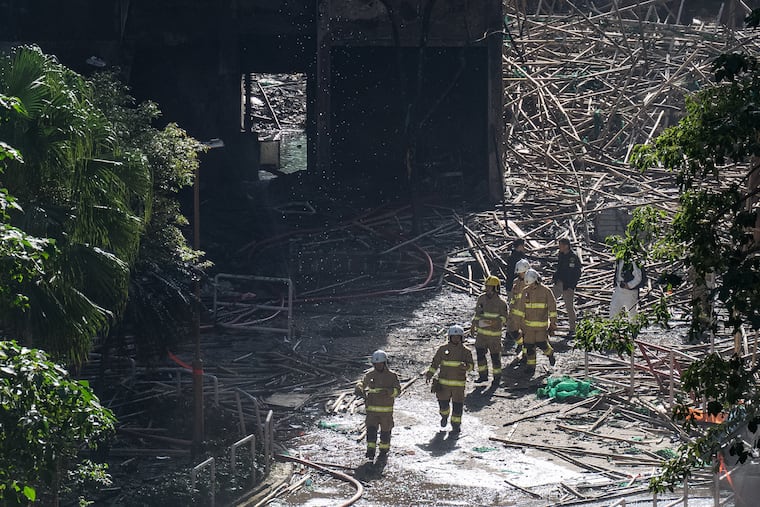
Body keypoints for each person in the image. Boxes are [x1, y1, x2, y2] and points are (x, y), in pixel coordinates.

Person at [425, 325, 475, 432]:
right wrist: (430, 374)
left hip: (458, 386)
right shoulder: (442, 349)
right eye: (453, 337)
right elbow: (435, 363)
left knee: (457, 407)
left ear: (461, 338)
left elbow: (471, 366)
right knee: (443, 405)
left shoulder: (466, 351)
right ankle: (444, 416)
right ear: (449, 337)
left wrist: (465, 366)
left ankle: (456, 425)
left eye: (458, 337)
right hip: (444, 385)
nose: (456, 339)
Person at [355, 349, 401, 461]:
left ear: (384, 363)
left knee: (385, 433)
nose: (377, 366)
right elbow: (362, 383)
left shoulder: (392, 376)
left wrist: (389, 392)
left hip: (386, 413)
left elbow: (398, 391)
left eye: (379, 364)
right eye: (375, 364)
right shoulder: (370, 375)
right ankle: (370, 452)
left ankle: (383, 451)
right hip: (371, 412)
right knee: (371, 432)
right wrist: (359, 387)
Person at [513, 268, 557, 375]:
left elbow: (552, 308)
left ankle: (550, 353)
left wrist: (553, 323)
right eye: (529, 284)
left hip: (541, 326)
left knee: (542, 344)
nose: (531, 286)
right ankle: (531, 367)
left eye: (532, 284)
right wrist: (517, 323)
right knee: (529, 346)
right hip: (529, 327)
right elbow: (520, 309)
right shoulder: (525, 292)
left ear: (537, 280)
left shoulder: (546, 291)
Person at [470, 275, 508, 384]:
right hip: (481, 336)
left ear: (496, 288)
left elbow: (505, 317)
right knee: (480, 355)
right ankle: (483, 376)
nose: (487, 289)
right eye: (486, 287)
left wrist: (496, 322)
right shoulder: (481, 299)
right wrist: (473, 325)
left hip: (494, 337)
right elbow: (477, 314)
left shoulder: (501, 303)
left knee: (495, 358)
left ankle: (497, 378)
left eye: (489, 287)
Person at [551, 238, 582, 336]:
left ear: (566, 246)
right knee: (550, 301)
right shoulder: (561, 255)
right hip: (559, 283)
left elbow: (577, 273)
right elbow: (559, 268)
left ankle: (572, 328)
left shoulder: (573, 257)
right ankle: (550, 324)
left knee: (569, 306)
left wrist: (572, 286)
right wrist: (555, 277)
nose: (559, 248)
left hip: (568, 286)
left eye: (561, 246)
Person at [507, 258, 532, 353]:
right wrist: (511, 309)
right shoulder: (515, 282)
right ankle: (520, 343)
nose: (520, 274)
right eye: (519, 273)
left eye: (522, 272)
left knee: (527, 334)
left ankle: (525, 355)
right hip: (516, 312)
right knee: (511, 329)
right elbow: (514, 297)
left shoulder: (532, 281)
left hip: (527, 312)